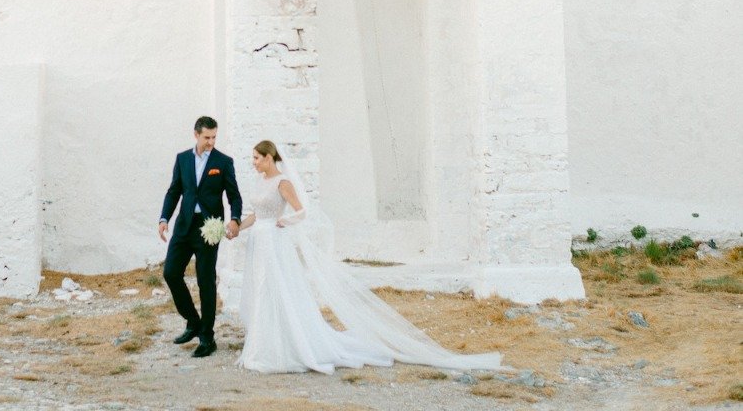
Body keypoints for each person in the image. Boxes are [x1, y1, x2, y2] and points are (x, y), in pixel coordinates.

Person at [235, 139, 501, 375]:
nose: (254, 163)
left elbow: (301, 212)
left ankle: (287, 346)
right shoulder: (261, 182)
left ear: (269, 158)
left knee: (279, 290)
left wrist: (285, 221)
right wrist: (236, 228)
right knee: (261, 290)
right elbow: (256, 213)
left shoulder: (283, 183)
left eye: (257, 158)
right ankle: (263, 344)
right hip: (260, 241)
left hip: (275, 242)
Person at [159, 116, 243, 358]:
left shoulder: (223, 162)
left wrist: (235, 219)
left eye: (214, 137)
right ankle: (192, 321)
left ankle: (207, 336)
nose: (211, 142)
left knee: (205, 281)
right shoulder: (182, 159)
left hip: (210, 228)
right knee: (171, 273)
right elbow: (174, 190)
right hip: (184, 226)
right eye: (207, 137)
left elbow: (234, 196)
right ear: (196, 135)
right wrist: (164, 218)